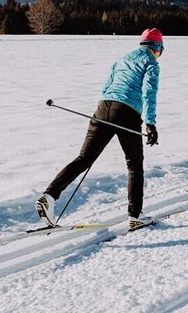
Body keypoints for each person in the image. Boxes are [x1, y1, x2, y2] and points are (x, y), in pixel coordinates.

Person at [35, 28, 163, 227]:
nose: (159, 55)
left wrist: (107, 111)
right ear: (157, 48)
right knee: (134, 165)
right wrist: (151, 124)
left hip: (103, 108)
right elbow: (149, 92)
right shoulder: (151, 63)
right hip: (127, 112)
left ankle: (49, 196)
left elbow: (106, 87)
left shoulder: (122, 60)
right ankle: (135, 216)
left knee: (84, 158)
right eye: (160, 51)